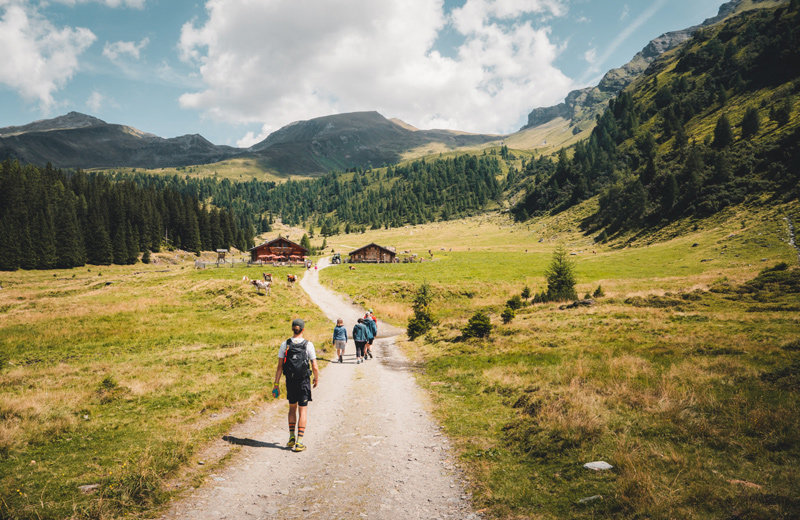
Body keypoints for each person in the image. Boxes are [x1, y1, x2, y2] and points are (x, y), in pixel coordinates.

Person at [273, 318, 319, 452]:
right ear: (303, 329)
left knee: (292, 408)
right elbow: (314, 366)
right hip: (303, 381)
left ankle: (291, 437)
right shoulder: (308, 344)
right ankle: (300, 442)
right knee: (303, 410)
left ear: (292, 328)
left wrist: (276, 384)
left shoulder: (285, 344)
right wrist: (316, 379)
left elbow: (280, 366)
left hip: (290, 381)